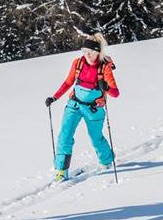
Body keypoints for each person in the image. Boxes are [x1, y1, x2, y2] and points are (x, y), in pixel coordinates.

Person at [45, 33, 120, 180]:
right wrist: (55, 97)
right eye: (84, 51)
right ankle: (61, 171)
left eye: (90, 52)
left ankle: (106, 161)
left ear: (98, 52)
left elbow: (115, 93)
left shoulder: (104, 67)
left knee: (95, 138)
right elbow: (68, 82)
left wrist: (106, 87)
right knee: (65, 135)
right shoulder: (78, 63)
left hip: (94, 109)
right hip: (74, 104)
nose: (87, 54)